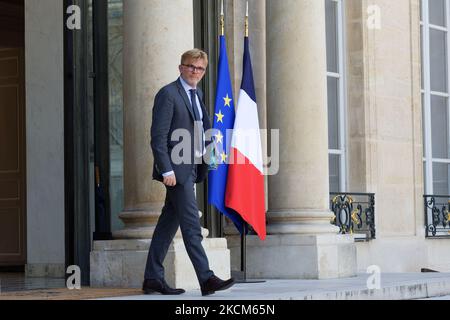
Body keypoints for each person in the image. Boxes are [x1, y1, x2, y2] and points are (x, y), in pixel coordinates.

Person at [143, 49, 235, 296]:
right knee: (192, 225)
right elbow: (158, 138)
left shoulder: (197, 94)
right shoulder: (168, 94)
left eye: (200, 68)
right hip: (176, 171)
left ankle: (152, 279)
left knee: (166, 226)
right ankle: (206, 279)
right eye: (191, 66)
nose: (195, 71)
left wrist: (210, 156)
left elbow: (201, 129)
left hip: (191, 168)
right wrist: (166, 170)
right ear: (181, 67)